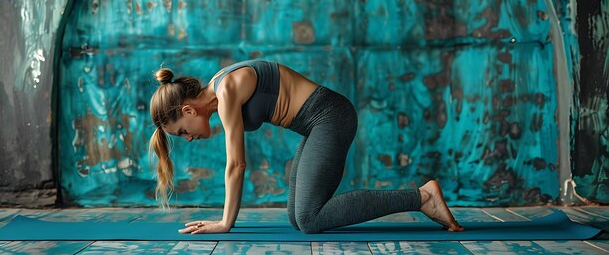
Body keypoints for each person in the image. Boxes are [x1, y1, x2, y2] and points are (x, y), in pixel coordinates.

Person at [148, 59, 464, 235]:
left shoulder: (226, 89)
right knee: (297, 219)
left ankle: (422, 197)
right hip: (315, 127)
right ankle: (421, 197)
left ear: (188, 111)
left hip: (331, 118)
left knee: (310, 219)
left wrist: (224, 223)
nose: (189, 138)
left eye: (182, 133)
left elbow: (237, 164)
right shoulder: (219, 88)